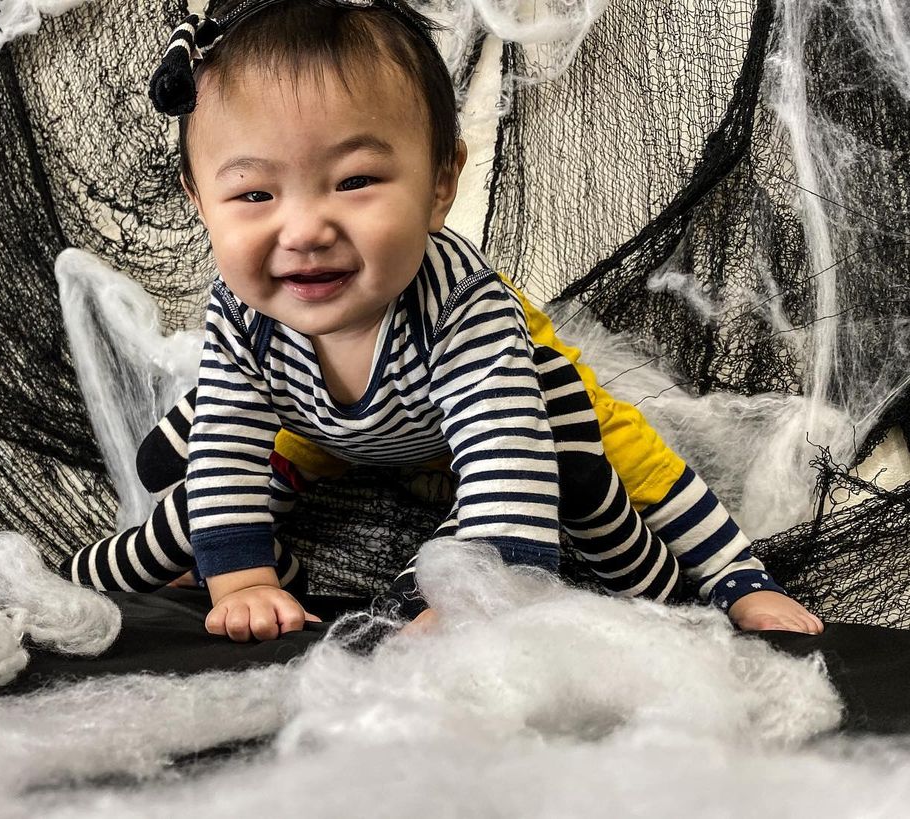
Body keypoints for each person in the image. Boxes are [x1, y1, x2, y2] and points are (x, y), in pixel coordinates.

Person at [64, 0, 823, 640]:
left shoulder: (464, 311)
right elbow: (229, 442)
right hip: (322, 428)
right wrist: (243, 582)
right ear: (200, 201)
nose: (304, 230)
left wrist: (473, 600)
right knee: (206, 507)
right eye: (254, 195)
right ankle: (116, 566)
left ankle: (737, 577)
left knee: (616, 449)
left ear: (439, 184)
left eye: (354, 181)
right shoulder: (241, 310)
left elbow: (505, 462)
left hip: (511, 413)